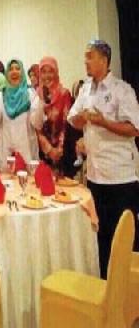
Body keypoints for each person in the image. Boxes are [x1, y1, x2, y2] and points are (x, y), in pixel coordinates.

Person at [67, 40, 139, 278]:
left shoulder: (122, 90)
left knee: (124, 240)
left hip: (120, 177)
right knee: (101, 236)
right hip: (95, 176)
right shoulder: (86, 89)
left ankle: (127, 289)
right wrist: (82, 119)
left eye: (90, 56)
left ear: (104, 60)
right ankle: (105, 286)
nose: (85, 61)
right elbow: (73, 118)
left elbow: (134, 128)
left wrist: (103, 121)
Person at [0, 59, 44, 170]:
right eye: (11, 69)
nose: (14, 71)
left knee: (28, 180)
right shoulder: (0, 96)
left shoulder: (31, 94)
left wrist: (41, 101)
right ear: (6, 74)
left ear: (22, 73)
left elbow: (37, 124)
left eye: (17, 68)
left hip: (27, 153)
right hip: (7, 152)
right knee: (8, 180)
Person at [36, 57, 72, 173]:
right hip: (40, 153)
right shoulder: (35, 95)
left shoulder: (64, 94)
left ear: (56, 73)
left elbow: (66, 125)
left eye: (50, 71)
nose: (47, 76)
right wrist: (48, 149)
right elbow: (35, 127)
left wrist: (58, 150)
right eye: (43, 72)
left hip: (61, 153)